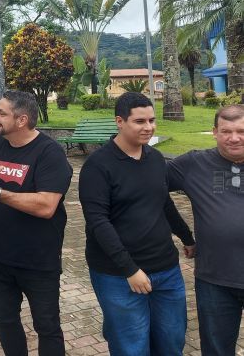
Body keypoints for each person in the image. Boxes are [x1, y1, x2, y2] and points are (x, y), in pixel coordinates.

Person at [79, 92, 196, 356]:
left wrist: (187, 237)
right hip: (118, 275)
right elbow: (98, 222)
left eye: (152, 120)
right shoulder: (98, 166)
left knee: (171, 341)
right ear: (120, 121)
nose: (148, 127)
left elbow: (163, 202)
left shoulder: (155, 158)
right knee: (131, 347)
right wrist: (130, 269)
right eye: (140, 121)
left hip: (166, 269)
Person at [0, 90, 72, 356]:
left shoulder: (49, 153)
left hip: (38, 260)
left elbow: (46, 206)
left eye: (2, 113)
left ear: (22, 120)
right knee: (4, 319)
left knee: (47, 326)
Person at [167, 104, 244, 355]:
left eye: (241, 131)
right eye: (226, 131)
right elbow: (148, 182)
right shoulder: (194, 164)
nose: (234, 138)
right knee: (216, 350)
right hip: (215, 280)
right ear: (214, 132)